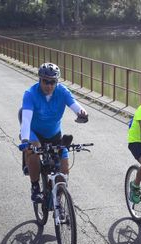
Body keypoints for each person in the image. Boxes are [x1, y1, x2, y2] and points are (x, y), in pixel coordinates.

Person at [18, 63, 89, 202]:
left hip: (54, 134)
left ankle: (58, 197)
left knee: (63, 169)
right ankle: (35, 187)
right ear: (39, 79)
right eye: (45, 81)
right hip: (34, 133)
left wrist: (83, 114)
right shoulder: (30, 94)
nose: (49, 85)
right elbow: (26, 120)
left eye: (53, 82)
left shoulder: (62, 92)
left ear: (57, 82)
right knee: (34, 150)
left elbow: (76, 106)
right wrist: (25, 141)